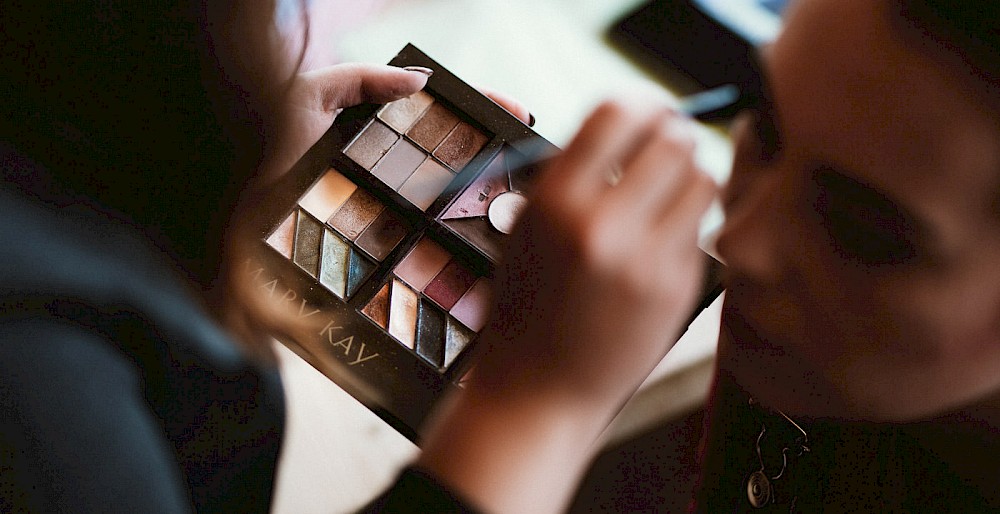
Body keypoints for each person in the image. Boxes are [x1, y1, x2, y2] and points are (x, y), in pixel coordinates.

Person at [1, 1, 997, 514]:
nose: (734, 241)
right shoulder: (35, 373)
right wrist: (531, 409)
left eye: (867, 232)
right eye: (763, 128)